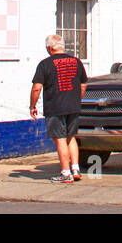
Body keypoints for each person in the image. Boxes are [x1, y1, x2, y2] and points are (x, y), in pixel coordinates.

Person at [31, 34, 89, 183]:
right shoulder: (76, 62)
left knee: (60, 139)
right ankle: (75, 169)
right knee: (71, 137)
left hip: (55, 107)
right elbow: (83, 85)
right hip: (73, 106)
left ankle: (65, 173)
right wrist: (77, 99)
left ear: (50, 48)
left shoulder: (45, 64)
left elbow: (37, 88)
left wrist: (32, 106)